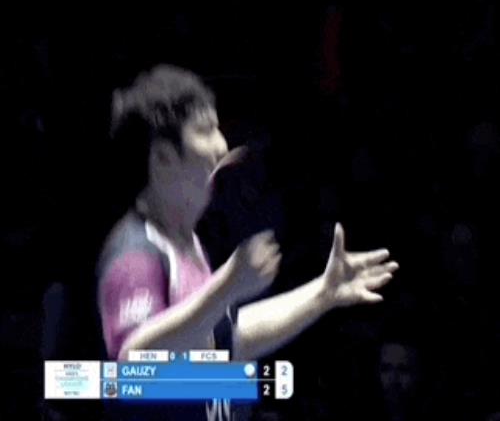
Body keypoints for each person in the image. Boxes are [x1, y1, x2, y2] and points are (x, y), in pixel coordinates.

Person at [97, 64, 399, 420]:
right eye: (205, 131)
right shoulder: (136, 255)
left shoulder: (187, 245)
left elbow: (223, 342)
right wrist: (226, 288)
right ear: (162, 157)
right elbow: (132, 370)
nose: (221, 145)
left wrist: (323, 293)